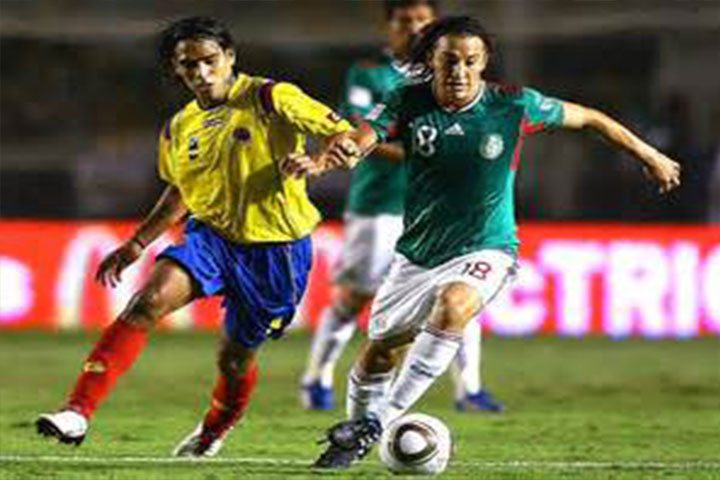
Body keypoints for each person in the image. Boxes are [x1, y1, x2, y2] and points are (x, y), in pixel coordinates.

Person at [282, 16, 681, 469]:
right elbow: (363, 138)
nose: (459, 71)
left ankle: (379, 422)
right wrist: (330, 159)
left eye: (470, 61)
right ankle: (354, 436)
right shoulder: (407, 100)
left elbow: (590, 117)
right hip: (418, 254)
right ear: (431, 61)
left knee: (454, 306)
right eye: (449, 60)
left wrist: (648, 153)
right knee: (380, 352)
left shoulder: (513, 104)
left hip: (487, 246)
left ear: (484, 61)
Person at [35, 16, 353, 457]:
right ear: (176, 69)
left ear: (230, 57)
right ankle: (77, 412)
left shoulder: (270, 96)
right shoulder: (178, 127)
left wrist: (318, 163)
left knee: (235, 359)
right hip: (212, 239)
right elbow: (181, 191)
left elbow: (344, 134)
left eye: (210, 61)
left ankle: (214, 430)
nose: (201, 73)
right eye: (189, 65)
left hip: (276, 251)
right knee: (147, 302)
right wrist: (137, 243)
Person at [300, 0, 504, 414]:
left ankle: (469, 388)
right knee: (355, 296)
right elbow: (358, 131)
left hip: (443, 211)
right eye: (404, 20)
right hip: (380, 203)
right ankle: (316, 378)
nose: (414, 27)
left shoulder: (452, 77)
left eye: (422, 20)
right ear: (388, 27)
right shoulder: (369, 74)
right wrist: (434, 152)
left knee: (460, 293)